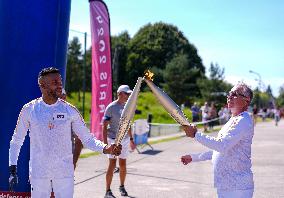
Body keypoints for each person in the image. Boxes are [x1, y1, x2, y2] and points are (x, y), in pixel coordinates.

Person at [8, 67, 121, 197]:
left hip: (64, 175)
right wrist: (12, 168)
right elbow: (16, 140)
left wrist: (106, 148)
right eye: (55, 82)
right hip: (39, 174)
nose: (60, 85)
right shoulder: (29, 110)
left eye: (60, 82)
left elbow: (88, 139)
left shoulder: (70, 111)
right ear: (42, 85)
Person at [181, 82, 254, 198]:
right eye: (230, 93)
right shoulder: (232, 120)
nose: (230, 96)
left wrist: (196, 134)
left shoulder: (243, 120)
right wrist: (194, 157)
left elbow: (222, 146)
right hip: (226, 186)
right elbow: (221, 151)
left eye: (235, 94)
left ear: (247, 100)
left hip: (238, 188)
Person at [102, 85, 136, 198]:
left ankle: (121, 186)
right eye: (126, 94)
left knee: (123, 164)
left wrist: (131, 139)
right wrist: (105, 144)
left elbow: (128, 125)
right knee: (112, 164)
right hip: (113, 140)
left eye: (129, 94)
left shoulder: (128, 107)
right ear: (120, 93)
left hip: (125, 140)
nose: (128, 96)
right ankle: (107, 191)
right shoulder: (111, 107)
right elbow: (104, 125)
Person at [59, 88, 83, 169]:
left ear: (65, 97)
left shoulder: (72, 113)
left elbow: (79, 140)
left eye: (61, 96)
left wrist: (74, 162)